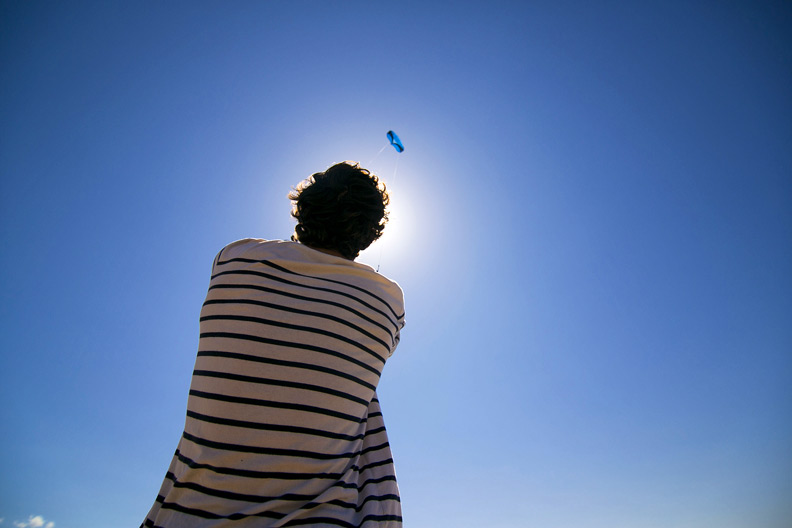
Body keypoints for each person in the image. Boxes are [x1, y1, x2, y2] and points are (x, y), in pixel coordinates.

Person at [141, 162, 405, 527]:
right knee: (365, 402)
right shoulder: (387, 299)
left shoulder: (233, 258)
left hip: (183, 518)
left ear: (304, 207)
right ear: (369, 233)